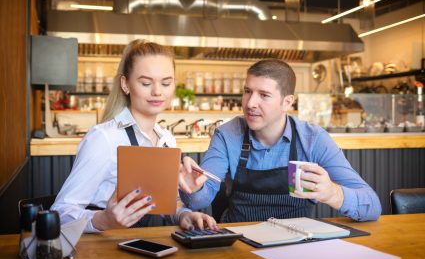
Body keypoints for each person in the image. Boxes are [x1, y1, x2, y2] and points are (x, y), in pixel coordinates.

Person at [179, 59, 381, 223]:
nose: (250, 103)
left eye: (264, 95)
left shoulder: (313, 139)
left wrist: (332, 194)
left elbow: (372, 205)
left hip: (296, 246)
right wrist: (194, 187)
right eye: (247, 91)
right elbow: (199, 200)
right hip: (239, 242)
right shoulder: (227, 134)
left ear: (287, 102)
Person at [52, 39, 216, 232]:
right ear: (125, 84)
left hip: (141, 245)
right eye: (146, 83)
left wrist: (184, 215)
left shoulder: (167, 140)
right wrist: (103, 220)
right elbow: (60, 212)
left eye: (166, 83)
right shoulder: (104, 138)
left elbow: (163, 203)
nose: (157, 92)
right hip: (101, 250)